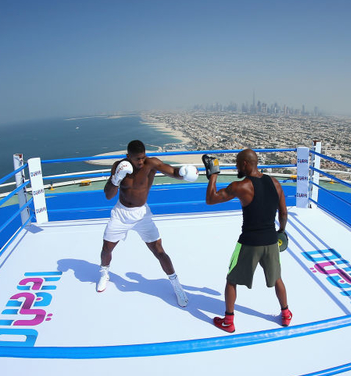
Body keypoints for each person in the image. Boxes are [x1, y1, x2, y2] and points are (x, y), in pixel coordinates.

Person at [98, 139, 199, 307]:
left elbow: (172, 171)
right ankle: (104, 273)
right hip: (121, 213)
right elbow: (108, 195)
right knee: (106, 248)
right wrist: (116, 179)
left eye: (142, 157)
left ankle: (177, 285)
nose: (140, 162)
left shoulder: (151, 164)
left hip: (141, 214)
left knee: (159, 251)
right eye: (137, 158)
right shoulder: (119, 166)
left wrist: (184, 172)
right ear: (127, 156)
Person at [203, 149, 292, 332]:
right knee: (277, 279)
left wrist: (213, 175)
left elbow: (210, 199)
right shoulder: (274, 182)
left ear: (244, 164)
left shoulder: (241, 186)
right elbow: (283, 213)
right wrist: (281, 231)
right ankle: (286, 314)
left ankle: (228, 321)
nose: (236, 166)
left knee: (231, 280)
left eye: (237, 163)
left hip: (249, 243)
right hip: (271, 241)